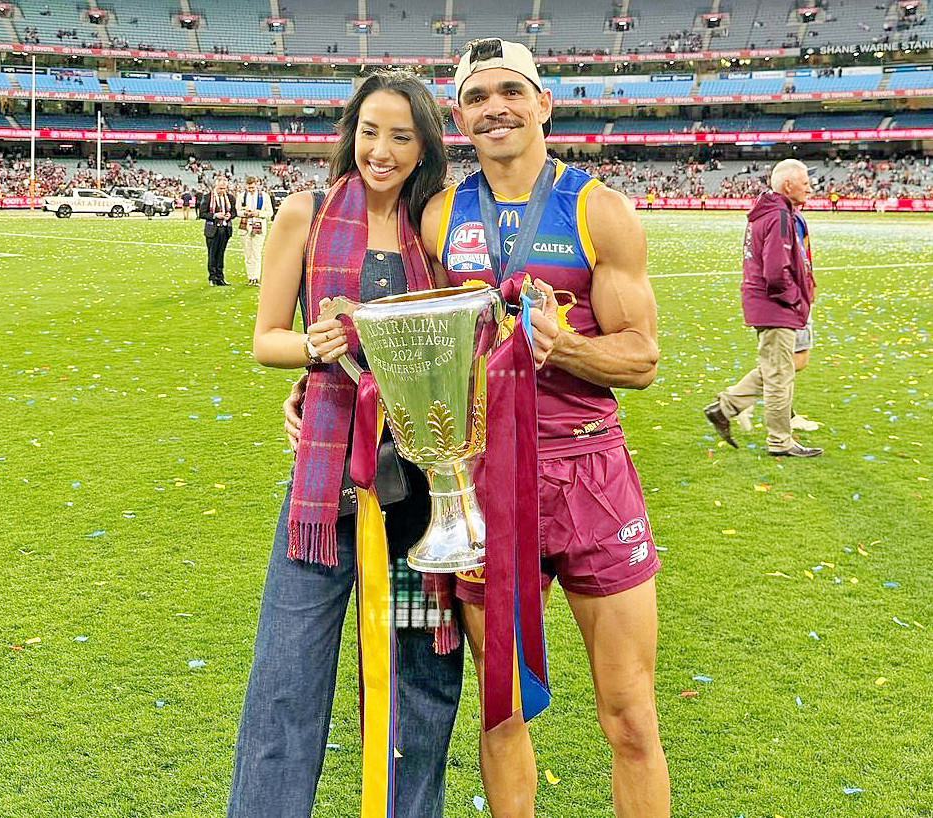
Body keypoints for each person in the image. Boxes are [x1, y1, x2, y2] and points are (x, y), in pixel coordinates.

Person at [283, 37, 667, 817]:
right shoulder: (440, 216)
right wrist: (322, 379)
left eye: (511, 91)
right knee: (501, 708)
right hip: (482, 484)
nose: (496, 107)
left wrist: (572, 350)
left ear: (543, 104)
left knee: (628, 713)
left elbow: (643, 357)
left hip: (588, 475)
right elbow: (400, 332)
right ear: (460, 117)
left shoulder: (599, 210)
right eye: (478, 97)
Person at [227, 71, 463, 818]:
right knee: (286, 682)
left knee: (420, 687)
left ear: (424, 143)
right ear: (350, 133)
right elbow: (267, 340)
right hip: (324, 492)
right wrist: (314, 350)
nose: (381, 150)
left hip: (422, 504)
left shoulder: (441, 224)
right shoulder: (306, 212)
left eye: (400, 136)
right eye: (369, 131)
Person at [704, 158, 823, 457]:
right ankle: (779, 441)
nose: (810, 187)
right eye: (805, 182)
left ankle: (725, 407)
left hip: (768, 305)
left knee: (776, 369)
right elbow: (775, 272)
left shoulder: (769, 213)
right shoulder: (779, 216)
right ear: (787, 185)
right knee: (780, 375)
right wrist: (796, 298)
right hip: (776, 306)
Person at [237, 176, 274, 286]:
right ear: (246, 186)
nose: (251, 190)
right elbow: (236, 211)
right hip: (245, 228)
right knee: (248, 254)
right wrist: (245, 213)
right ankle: (250, 277)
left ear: (256, 185)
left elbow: (270, 213)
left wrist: (258, 213)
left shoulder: (264, 196)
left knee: (256, 254)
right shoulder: (241, 196)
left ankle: (256, 278)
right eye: (249, 188)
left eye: (253, 188)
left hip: (258, 227)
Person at [201, 175, 236, 286]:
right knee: (212, 254)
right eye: (220, 188)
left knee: (221, 254)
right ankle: (212, 277)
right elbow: (202, 214)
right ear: (215, 186)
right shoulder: (208, 197)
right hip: (212, 230)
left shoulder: (230, 198)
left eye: (224, 188)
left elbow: (234, 213)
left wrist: (229, 216)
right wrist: (215, 215)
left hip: (225, 229)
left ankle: (220, 277)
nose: (222, 190)